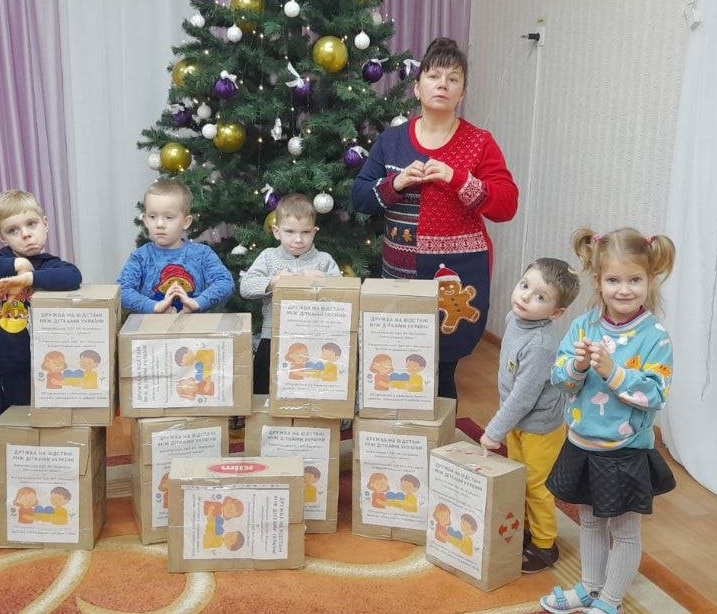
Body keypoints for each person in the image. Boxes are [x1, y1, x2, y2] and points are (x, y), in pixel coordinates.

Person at [351, 37, 518, 399]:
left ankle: (442, 433)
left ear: (462, 94)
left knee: (442, 372)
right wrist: (395, 184)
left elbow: (506, 206)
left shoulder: (480, 142)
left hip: (457, 276)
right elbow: (359, 197)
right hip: (401, 274)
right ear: (417, 87)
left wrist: (458, 179)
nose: (443, 84)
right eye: (434, 76)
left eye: (453, 79)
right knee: (397, 368)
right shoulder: (392, 141)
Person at [541, 228, 677, 614]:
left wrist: (614, 372)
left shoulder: (655, 337)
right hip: (582, 444)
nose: (624, 289)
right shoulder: (584, 326)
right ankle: (590, 587)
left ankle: (610, 602)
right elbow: (560, 379)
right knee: (590, 521)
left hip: (625, 452)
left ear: (650, 280)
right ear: (598, 280)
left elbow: (655, 393)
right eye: (614, 280)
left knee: (624, 530)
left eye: (635, 280)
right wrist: (578, 366)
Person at [0, 190, 82, 554]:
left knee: (24, 438)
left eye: (31, 224)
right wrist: (17, 266)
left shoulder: (52, 267)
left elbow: (72, 277)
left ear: (46, 224)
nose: (25, 234)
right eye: (13, 230)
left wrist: (28, 278)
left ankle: (19, 503)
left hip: (28, 372)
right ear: (2, 236)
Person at [480, 258, 580, 574]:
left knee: (537, 486)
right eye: (525, 286)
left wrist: (494, 430)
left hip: (540, 427)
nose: (525, 296)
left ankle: (545, 545)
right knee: (518, 477)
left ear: (556, 313)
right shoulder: (515, 319)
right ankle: (525, 528)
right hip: (518, 420)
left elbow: (524, 397)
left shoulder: (540, 345)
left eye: (540, 297)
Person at [239, 194, 341, 394]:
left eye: (305, 232)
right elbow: (246, 287)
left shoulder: (324, 260)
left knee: (309, 387)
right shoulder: (268, 257)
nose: (298, 239)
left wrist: (325, 281)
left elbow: (344, 296)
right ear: (276, 232)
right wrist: (274, 282)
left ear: (314, 232)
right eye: (290, 231)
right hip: (272, 336)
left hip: (314, 339)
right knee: (263, 388)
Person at [117, 179, 233, 315]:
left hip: (194, 326)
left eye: (169, 217)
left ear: (186, 222)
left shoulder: (202, 254)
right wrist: (155, 307)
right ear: (145, 220)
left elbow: (225, 283)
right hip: (151, 326)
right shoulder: (140, 257)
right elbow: (121, 290)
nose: (159, 224)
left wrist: (197, 303)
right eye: (152, 216)